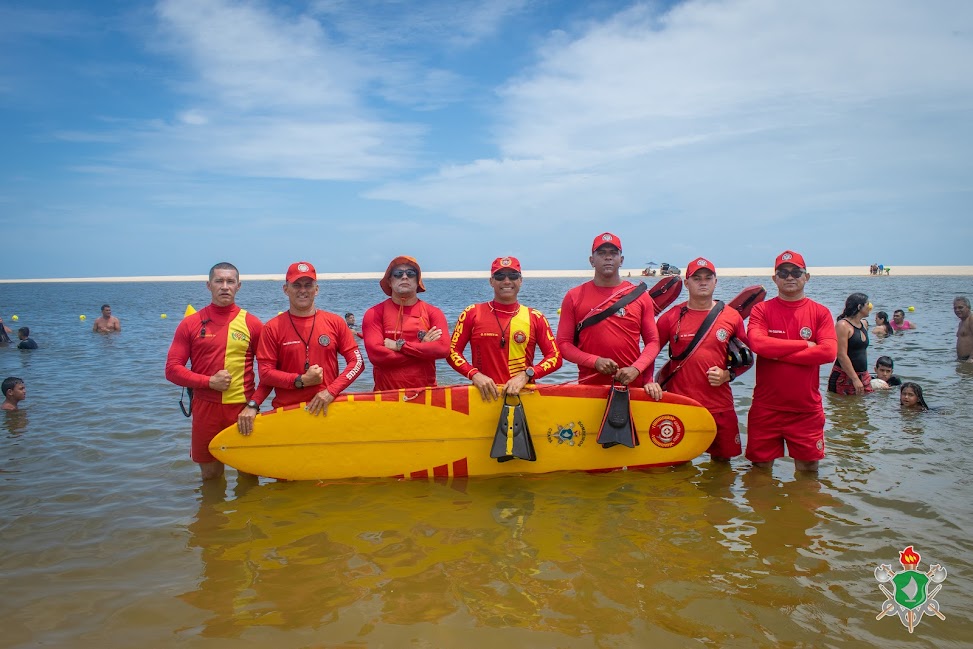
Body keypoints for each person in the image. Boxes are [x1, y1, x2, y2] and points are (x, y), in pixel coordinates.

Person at [165, 262, 269, 481]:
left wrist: (253, 405)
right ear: (208, 285)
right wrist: (209, 382)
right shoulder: (190, 323)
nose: (224, 286)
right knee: (210, 476)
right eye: (219, 281)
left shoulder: (252, 323)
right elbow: (172, 370)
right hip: (205, 409)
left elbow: (268, 373)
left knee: (249, 475)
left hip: (242, 410)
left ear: (238, 286)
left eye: (230, 281)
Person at [644, 257, 752, 461]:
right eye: (697, 278)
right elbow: (650, 352)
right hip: (681, 404)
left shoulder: (731, 317)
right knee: (677, 463)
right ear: (687, 283)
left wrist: (728, 374)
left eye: (708, 278)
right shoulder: (670, 317)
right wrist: (649, 381)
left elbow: (747, 359)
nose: (703, 282)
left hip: (720, 404)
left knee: (722, 465)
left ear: (715, 282)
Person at [746, 250, 837, 472]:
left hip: (806, 410)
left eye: (796, 272)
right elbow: (757, 344)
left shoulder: (820, 312)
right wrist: (805, 345)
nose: (789, 277)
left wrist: (775, 352)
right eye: (783, 273)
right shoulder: (761, 309)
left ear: (807, 277)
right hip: (766, 407)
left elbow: (828, 353)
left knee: (808, 472)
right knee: (760, 470)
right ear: (774, 278)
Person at [257, 261, 364, 414]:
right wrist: (300, 380)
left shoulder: (335, 322)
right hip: (287, 412)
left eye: (308, 285)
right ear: (286, 289)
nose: (303, 290)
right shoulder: (271, 328)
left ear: (316, 289)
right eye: (296, 285)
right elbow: (266, 374)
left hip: (327, 408)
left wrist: (331, 391)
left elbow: (357, 362)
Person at [448, 257, 562, 401]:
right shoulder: (472, 313)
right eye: (500, 276)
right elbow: (451, 351)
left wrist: (527, 374)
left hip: (524, 397)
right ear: (491, 281)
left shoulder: (535, 317)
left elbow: (555, 357)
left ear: (520, 280)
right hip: (483, 397)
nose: (507, 281)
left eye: (513, 276)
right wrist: (474, 374)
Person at [555, 233, 660, 387]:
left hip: (631, 386)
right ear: (592, 261)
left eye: (613, 253)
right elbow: (564, 345)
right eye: (602, 253)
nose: (608, 257)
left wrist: (636, 369)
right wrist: (595, 361)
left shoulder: (640, 296)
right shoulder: (574, 296)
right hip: (589, 388)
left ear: (621, 260)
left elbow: (653, 342)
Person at [362, 256, 450, 391]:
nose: (404, 277)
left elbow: (443, 349)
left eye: (410, 273)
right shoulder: (374, 313)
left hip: (427, 395)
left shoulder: (433, 313)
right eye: (398, 274)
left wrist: (399, 346)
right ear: (389, 281)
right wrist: (423, 350)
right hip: (386, 396)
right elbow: (377, 356)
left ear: (417, 281)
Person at [827, 293, 873, 395]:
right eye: (868, 304)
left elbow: (863, 351)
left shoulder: (864, 324)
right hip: (844, 375)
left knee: (863, 403)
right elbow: (841, 355)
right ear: (859, 307)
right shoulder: (843, 325)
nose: (870, 307)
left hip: (862, 374)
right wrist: (855, 379)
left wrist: (865, 373)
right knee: (842, 404)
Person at [955, 296, 973, 362]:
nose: (957, 310)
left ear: (968, 307)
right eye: (955, 308)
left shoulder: (971, 319)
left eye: (960, 307)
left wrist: (971, 358)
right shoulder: (961, 322)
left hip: (970, 360)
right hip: (962, 360)